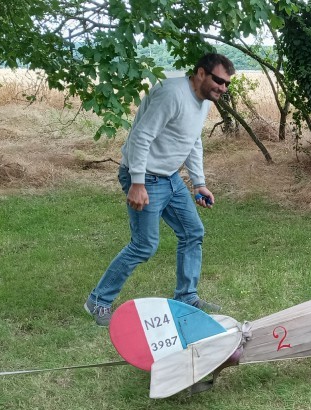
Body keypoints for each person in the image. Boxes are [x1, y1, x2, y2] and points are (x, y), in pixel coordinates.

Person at [84, 53, 234, 326]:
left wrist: (199, 183)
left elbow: (192, 141)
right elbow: (141, 136)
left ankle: (187, 298)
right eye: (219, 81)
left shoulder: (203, 101)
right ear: (201, 73)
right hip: (145, 177)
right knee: (144, 246)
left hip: (169, 178)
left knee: (192, 232)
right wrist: (137, 183)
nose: (223, 88)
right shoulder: (171, 94)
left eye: (226, 84)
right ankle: (98, 301)